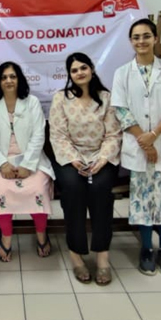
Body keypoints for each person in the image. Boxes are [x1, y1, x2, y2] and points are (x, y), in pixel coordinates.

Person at [112, 18, 161, 277]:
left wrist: (153, 135)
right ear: (130, 41)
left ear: (155, 38)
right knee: (142, 201)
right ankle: (146, 248)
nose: (141, 41)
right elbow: (121, 110)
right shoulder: (122, 73)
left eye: (146, 36)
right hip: (138, 145)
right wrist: (144, 140)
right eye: (136, 37)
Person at [49, 52, 122, 285]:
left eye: (83, 68)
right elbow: (58, 135)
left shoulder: (106, 98)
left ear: (91, 69)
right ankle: (76, 255)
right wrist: (74, 159)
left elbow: (113, 134)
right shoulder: (61, 98)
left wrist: (102, 159)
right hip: (70, 157)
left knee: (100, 190)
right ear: (69, 75)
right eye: (74, 70)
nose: (79, 73)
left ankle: (102, 257)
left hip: (101, 157)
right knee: (73, 188)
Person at [0, 61, 55, 263]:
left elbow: (39, 136)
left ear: (19, 79)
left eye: (12, 76)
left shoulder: (32, 102)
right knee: (2, 189)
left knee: (38, 188)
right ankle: (6, 236)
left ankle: (41, 234)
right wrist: (3, 164)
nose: (9, 80)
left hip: (32, 160)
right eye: (4, 77)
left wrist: (27, 165)